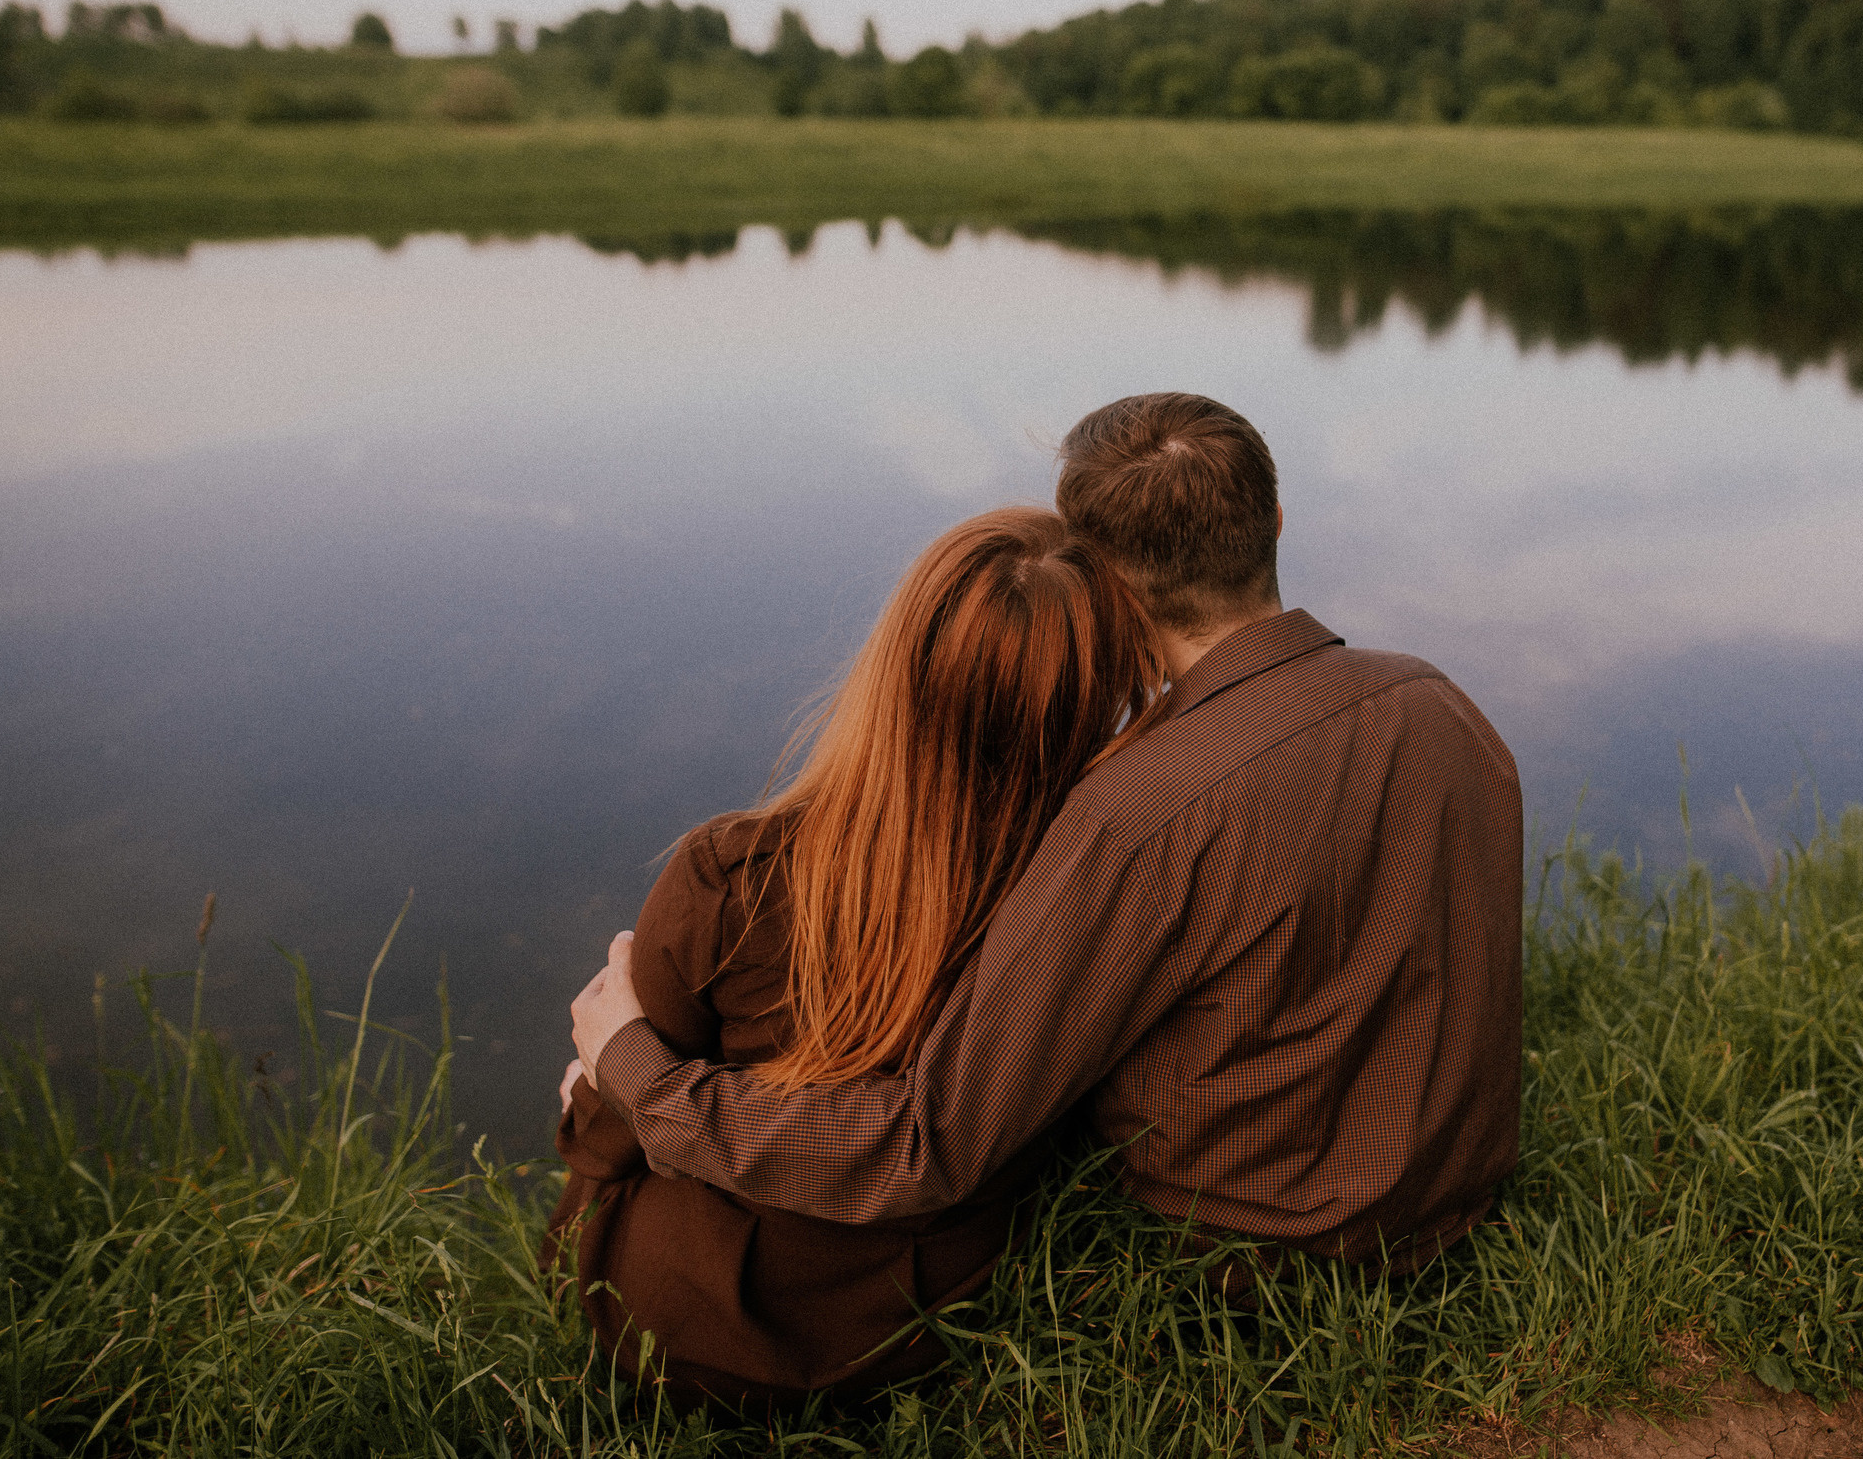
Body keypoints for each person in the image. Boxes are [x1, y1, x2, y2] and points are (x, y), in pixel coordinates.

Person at [571, 391, 1526, 1282]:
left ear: (1101, 581)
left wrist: (642, 1080)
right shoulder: (1439, 699)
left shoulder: (1138, 810)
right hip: (1456, 1204)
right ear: (1277, 521)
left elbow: (933, 1143)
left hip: (1259, 1256)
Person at [546, 505, 1165, 1411]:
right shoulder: (1090, 889)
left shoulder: (736, 876)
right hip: (934, 1317)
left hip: (691, 1327)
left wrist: (599, 1099)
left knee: (600, 1126)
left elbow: (614, 1128)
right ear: (1094, 694)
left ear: (895, 668)